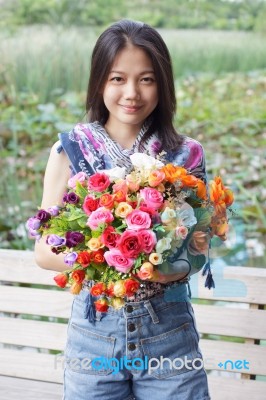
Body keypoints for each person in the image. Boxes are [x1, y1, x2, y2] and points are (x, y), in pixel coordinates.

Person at [35, 19, 211, 400]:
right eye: (117, 78)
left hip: (170, 334)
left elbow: (199, 249)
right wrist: (114, 257)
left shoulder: (186, 154)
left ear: (162, 84)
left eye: (146, 79)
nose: (131, 93)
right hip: (94, 334)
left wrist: (168, 268)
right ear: (100, 81)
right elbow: (45, 252)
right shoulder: (70, 149)